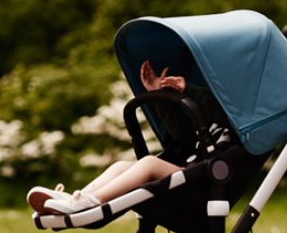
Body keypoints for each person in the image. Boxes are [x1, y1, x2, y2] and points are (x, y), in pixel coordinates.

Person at [26, 61, 233, 215]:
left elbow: (216, 106)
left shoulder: (235, 126)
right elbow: (180, 137)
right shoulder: (204, 129)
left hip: (203, 187)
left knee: (149, 163)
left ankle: (91, 201)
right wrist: (158, 95)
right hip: (185, 181)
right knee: (121, 166)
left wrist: (189, 89)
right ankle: (77, 200)